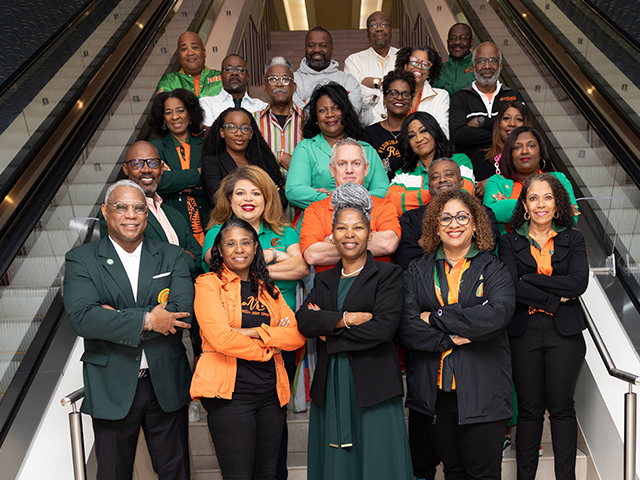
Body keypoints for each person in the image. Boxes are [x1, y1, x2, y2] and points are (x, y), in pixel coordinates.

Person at [64, 180, 194, 479]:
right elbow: (84, 319)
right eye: (121, 208)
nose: (130, 215)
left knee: (175, 471)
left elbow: (180, 313)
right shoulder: (81, 260)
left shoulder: (171, 256)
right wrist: (149, 320)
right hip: (112, 383)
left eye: (138, 208)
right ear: (105, 212)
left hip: (166, 381)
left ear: (146, 214)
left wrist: (116, 316)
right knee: (112, 472)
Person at [398, 190, 515, 480]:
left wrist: (436, 316)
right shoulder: (416, 270)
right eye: (446, 218)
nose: (454, 224)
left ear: (475, 223)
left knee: (483, 474)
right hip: (436, 394)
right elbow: (406, 327)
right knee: (454, 472)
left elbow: (496, 316)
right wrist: (451, 337)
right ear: (435, 227)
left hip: (483, 392)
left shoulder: (494, 268)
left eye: (462, 216)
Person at [296, 192, 413, 480]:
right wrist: (346, 319)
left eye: (358, 227)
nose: (350, 235)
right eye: (341, 228)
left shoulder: (388, 274)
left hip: (374, 386)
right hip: (332, 384)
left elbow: (383, 329)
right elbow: (305, 321)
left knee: (378, 463)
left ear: (369, 233)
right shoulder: (324, 279)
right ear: (331, 236)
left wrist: (330, 331)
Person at [191, 218, 306, 480]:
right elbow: (220, 339)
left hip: (269, 394)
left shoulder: (267, 289)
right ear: (219, 250)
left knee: (267, 473)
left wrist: (255, 332)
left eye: (245, 242)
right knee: (239, 475)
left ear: (256, 248)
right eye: (230, 243)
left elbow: (297, 335)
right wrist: (271, 346)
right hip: (230, 397)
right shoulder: (208, 285)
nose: (239, 249)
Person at [498, 173, 588, 480]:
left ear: (557, 203)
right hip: (523, 332)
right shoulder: (509, 240)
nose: (540, 204)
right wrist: (553, 296)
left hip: (565, 332)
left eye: (547, 197)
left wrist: (532, 280)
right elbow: (510, 285)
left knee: (562, 407)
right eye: (533, 197)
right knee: (530, 409)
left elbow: (579, 283)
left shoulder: (573, 238)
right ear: (524, 204)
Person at [100, 141, 203, 281]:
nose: (146, 169)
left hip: (185, 296)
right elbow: (129, 262)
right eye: (137, 164)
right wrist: (185, 256)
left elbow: (200, 257)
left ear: (161, 168)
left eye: (153, 163)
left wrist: (173, 260)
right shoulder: (118, 211)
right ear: (125, 169)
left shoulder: (174, 215)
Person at [300, 138, 400, 274]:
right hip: (331, 291)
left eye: (356, 163)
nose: (349, 170)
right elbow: (313, 255)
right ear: (332, 170)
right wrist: (370, 238)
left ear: (366, 169)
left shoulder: (384, 205)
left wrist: (332, 239)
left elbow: (388, 244)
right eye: (342, 164)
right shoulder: (315, 210)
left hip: (377, 290)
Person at [285, 82, 389, 211]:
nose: (330, 114)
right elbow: (294, 191)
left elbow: (384, 191)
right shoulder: (306, 148)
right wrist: (335, 199)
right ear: (316, 117)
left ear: (345, 112)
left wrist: (345, 199)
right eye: (322, 110)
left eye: (335, 108)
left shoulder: (367, 150)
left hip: (364, 223)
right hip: (318, 222)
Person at [394, 157, 499, 271]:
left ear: (461, 181)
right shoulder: (410, 219)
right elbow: (406, 260)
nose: (442, 180)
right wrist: (462, 242)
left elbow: (486, 249)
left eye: (449, 175)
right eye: (435, 177)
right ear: (429, 186)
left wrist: (431, 243)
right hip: (429, 283)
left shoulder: (483, 212)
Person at [483, 126, 578, 235]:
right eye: (517, 147)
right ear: (509, 155)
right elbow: (490, 213)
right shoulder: (496, 182)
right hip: (509, 250)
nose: (524, 151)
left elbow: (571, 218)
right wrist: (550, 206)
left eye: (531, 145)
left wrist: (512, 206)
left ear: (541, 152)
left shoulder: (559, 179)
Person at [149, 88, 209, 245]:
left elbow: (215, 181)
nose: (175, 117)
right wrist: (198, 174)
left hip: (208, 222)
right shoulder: (155, 148)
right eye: (168, 112)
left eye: (180, 110)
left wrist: (175, 181)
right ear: (163, 118)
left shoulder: (206, 146)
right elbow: (158, 183)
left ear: (190, 113)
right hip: (172, 224)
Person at [385, 111, 474, 215]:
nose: (419, 139)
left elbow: (465, 196)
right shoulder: (405, 172)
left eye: (423, 131)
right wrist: (434, 193)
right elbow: (390, 203)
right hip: (416, 228)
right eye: (412, 136)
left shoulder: (459, 161)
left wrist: (412, 199)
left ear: (434, 132)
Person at [449, 41, 525, 163]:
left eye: (493, 60)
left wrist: (482, 122)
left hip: (510, 166)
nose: (487, 66)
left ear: (500, 66)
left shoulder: (514, 96)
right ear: (473, 67)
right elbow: (458, 135)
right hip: (471, 169)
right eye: (481, 61)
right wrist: (503, 133)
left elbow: (521, 131)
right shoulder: (460, 97)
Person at [253, 56, 305, 222]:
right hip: (264, 206)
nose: (279, 84)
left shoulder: (309, 120)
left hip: (302, 207)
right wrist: (277, 156)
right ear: (265, 87)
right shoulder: (251, 122)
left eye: (285, 79)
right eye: (273, 79)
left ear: (294, 86)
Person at [200, 107, 286, 207]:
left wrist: (237, 195)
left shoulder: (262, 162)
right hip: (230, 222)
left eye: (245, 128)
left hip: (263, 222)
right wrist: (265, 194)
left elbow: (281, 201)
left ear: (251, 134)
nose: (239, 133)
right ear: (222, 132)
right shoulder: (212, 163)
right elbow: (220, 199)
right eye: (232, 127)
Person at [344, 11, 399, 126]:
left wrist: (371, 85)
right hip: (367, 131)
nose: (379, 29)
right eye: (373, 25)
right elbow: (353, 97)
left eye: (384, 24)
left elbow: (408, 92)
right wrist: (385, 88)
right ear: (367, 32)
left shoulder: (403, 58)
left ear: (391, 30)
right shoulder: (354, 61)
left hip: (401, 129)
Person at [293, 27, 362, 113]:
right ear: (305, 50)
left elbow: (352, 112)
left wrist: (306, 103)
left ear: (332, 51)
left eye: (323, 46)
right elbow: (292, 111)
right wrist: (337, 101)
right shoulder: (292, 79)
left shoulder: (347, 80)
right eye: (311, 46)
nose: (317, 50)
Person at [363, 70, 416, 180]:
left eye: (405, 94)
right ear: (384, 98)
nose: (399, 98)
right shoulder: (368, 135)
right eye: (393, 93)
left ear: (411, 101)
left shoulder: (418, 132)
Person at [473, 101, 532, 198]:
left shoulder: (536, 159)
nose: (512, 124)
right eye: (506, 118)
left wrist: (494, 183)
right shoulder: (481, 158)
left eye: (519, 119)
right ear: (498, 124)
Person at [389, 46, 449, 137]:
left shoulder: (440, 96)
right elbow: (379, 126)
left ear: (429, 73)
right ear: (405, 66)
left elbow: (443, 133)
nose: (419, 67)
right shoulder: (390, 94)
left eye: (425, 64)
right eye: (414, 62)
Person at [200, 54, 267, 127]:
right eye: (228, 69)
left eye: (240, 70)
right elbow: (210, 135)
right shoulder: (206, 104)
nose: (234, 73)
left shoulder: (261, 107)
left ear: (247, 77)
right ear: (221, 76)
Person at [156, 31, 222, 98]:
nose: (190, 53)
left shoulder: (222, 78)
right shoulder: (169, 81)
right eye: (184, 49)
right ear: (179, 55)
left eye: (194, 47)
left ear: (204, 52)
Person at [432, 24, 475, 96]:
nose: (457, 42)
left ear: (471, 42)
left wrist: (444, 89)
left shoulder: (479, 67)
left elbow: (480, 87)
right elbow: (431, 93)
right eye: (452, 38)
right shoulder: (438, 69)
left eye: (463, 38)